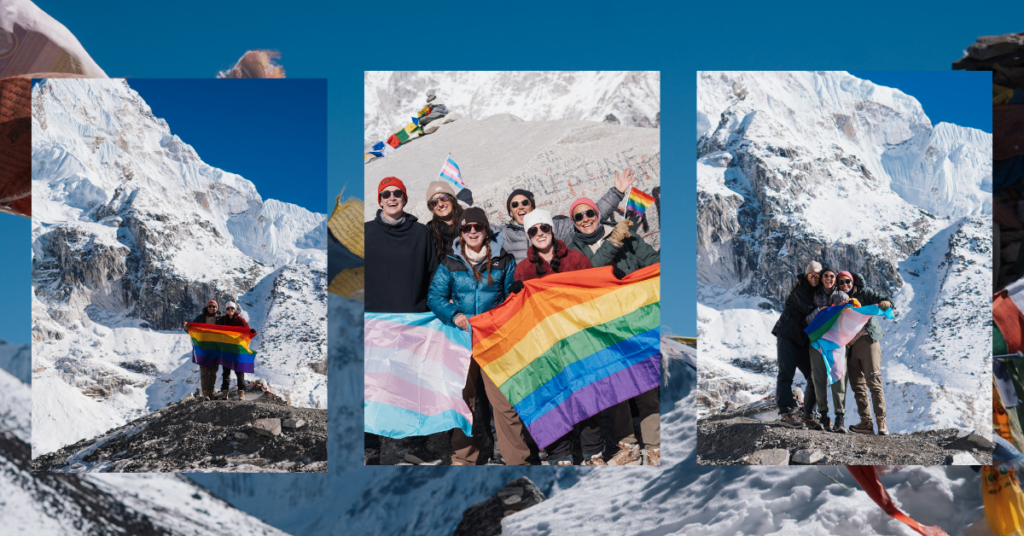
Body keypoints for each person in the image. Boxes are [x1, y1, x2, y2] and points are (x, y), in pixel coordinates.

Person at [427, 207, 531, 465]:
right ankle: (465, 459)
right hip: (461, 341)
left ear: (487, 230)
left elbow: (511, 298)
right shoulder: (450, 262)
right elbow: (435, 296)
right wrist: (454, 314)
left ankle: (518, 460)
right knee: (464, 401)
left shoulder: (504, 261)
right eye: (466, 228)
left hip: (494, 340)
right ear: (460, 233)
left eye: (478, 227)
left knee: (504, 402)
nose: (472, 231)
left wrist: (501, 319)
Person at [566, 197, 662, 465]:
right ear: (573, 222)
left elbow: (654, 262)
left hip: (635, 318)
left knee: (646, 385)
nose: (585, 219)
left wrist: (635, 286)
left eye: (589, 213)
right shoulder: (574, 252)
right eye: (579, 216)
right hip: (604, 326)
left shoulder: (628, 236)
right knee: (616, 387)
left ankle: (654, 445)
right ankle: (627, 445)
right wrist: (612, 243)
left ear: (598, 214)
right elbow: (591, 275)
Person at [364, 176, 439, 464]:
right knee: (370, 386)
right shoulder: (365, 233)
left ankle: (414, 446)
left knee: (410, 384)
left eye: (398, 193)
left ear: (405, 199)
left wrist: (432, 312)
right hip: (372, 324)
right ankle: (369, 448)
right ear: (379, 199)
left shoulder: (421, 233)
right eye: (386, 194)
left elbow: (433, 274)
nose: (392, 198)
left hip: (413, 321)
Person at [513, 209, 596, 465]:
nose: (540, 234)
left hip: (576, 337)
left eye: (544, 228)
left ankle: (593, 451)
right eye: (533, 230)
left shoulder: (576, 259)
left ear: (552, 229)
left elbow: (594, 290)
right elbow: (518, 310)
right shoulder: (523, 269)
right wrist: (517, 295)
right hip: (544, 344)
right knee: (552, 394)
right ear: (528, 236)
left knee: (585, 392)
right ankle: (560, 452)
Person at [497, 168, 639, 263]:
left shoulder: (554, 226)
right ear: (510, 212)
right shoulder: (503, 233)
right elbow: (477, 228)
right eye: (514, 205)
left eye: (524, 202)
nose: (520, 206)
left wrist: (617, 192)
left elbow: (589, 217)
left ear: (532, 205)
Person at [771, 262, 822, 430]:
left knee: (814, 375)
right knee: (786, 374)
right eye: (811, 275)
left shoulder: (817, 292)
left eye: (817, 275)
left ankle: (808, 416)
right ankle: (786, 414)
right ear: (807, 276)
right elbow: (810, 310)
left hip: (802, 340)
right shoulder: (800, 290)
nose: (814, 278)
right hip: (788, 336)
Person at [843, 272, 893, 435]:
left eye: (847, 281)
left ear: (853, 281)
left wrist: (886, 302)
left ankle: (881, 420)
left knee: (873, 380)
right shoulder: (839, 301)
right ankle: (866, 422)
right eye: (841, 282)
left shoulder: (865, 294)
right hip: (850, 347)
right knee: (858, 385)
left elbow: (883, 298)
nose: (845, 284)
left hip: (867, 341)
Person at [806, 267, 850, 433]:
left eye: (832, 276)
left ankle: (840, 419)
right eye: (826, 276)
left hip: (836, 342)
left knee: (838, 377)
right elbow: (807, 318)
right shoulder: (814, 295)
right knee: (819, 378)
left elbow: (850, 315)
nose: (829, 279)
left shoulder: (842, 296)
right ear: (821, 278)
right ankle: (823, 417)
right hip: (817, 342)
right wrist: (820, 312)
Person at [187, 299, 222, 401]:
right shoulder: (200, 318)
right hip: (203, 348)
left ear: (217, 308)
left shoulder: (220, 319)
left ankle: (211, 392)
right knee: (204, 372)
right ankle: (205, 393)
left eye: (213, 306)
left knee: (213, 372)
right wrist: (186, 327)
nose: (211, 308)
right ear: (207, 307)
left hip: (216, 349)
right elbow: (191, 327)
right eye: (210, 306)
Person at [216, 301, 251, 401]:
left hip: (237, 349)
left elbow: (247, 329)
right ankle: (225, 392)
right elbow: (215, 328)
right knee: (226, 372)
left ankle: (241, 392)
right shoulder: (223, 319)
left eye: (232, 308)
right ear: (226, 310)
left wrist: (249, 333)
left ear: (234, 309)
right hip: (226, 349)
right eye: (228, 308)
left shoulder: (240, 320)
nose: (230, 310)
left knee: (239, 371)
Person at [424, 180, 463, 262]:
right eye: (434, 202)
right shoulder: (429, 232)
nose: (440, 204)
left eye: (443, 198)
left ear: (452, 199)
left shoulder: (469, 222)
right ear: (432, 208)